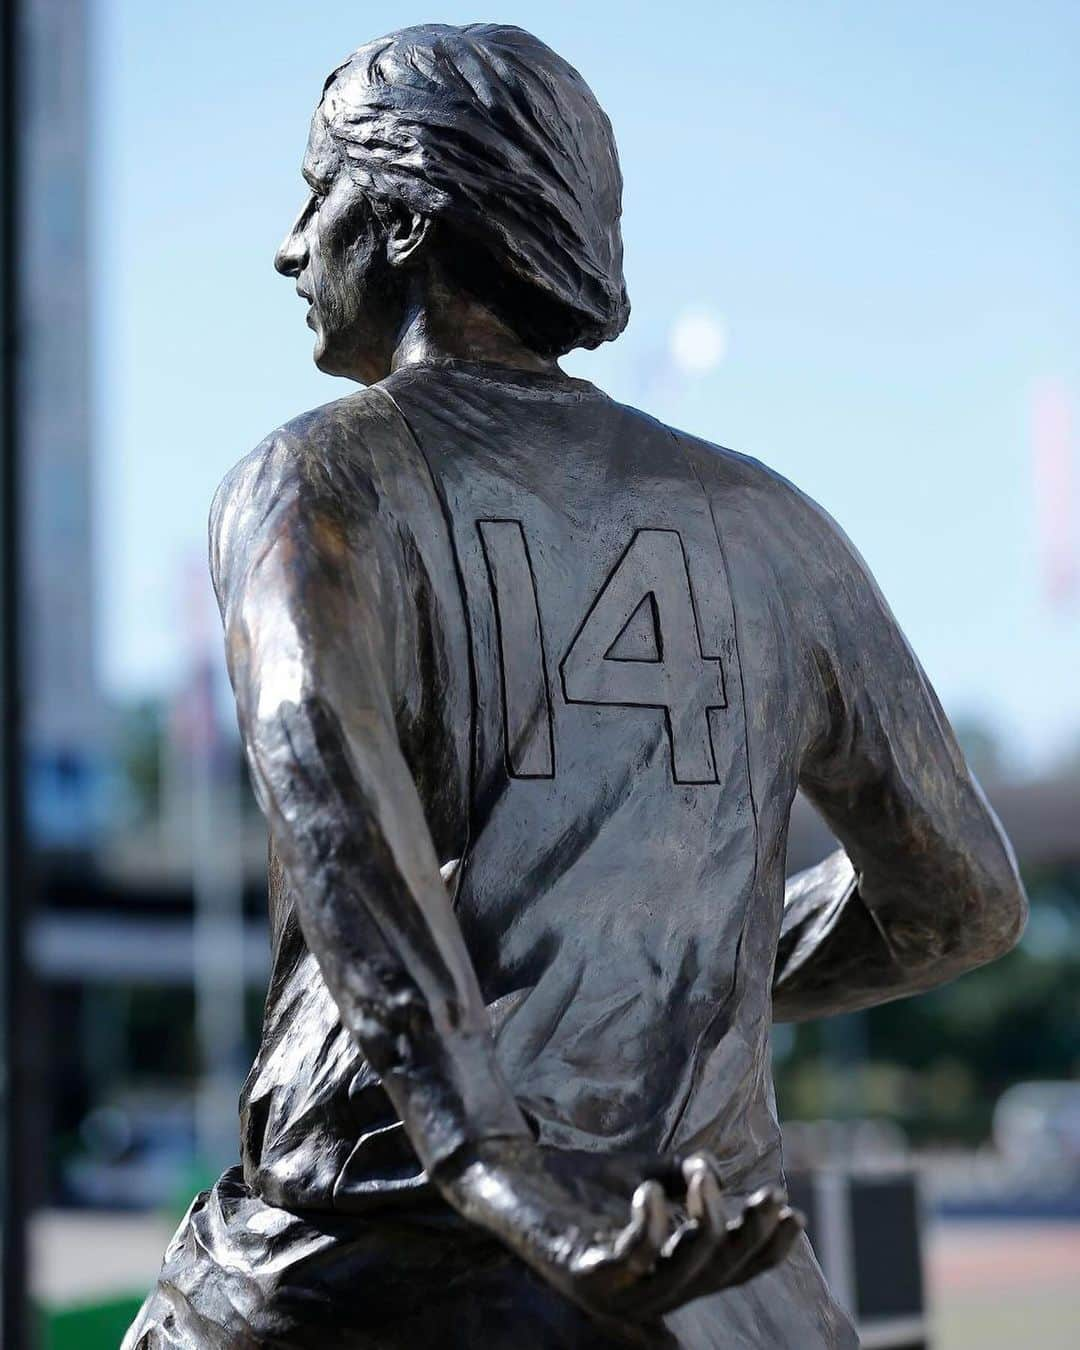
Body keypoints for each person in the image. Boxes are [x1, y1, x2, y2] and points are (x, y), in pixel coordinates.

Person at [124, 23, 1026, 1350]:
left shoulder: (314, 484)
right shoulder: (780, 529)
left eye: (322, 190)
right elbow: (964, 902)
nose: (290, 242)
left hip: (377, 1272)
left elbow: (337, 814)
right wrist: (643, 971)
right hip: (730, 1299)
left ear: (411, 214)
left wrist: (501, 1167)